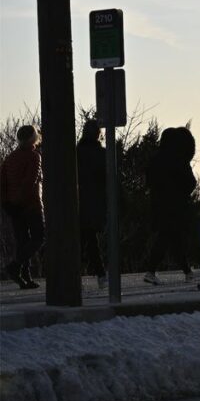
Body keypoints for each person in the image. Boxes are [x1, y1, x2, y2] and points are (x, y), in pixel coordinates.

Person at [145, 127, 197, 285]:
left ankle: (186, 271)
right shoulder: (179, 159)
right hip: (176, 205)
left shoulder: (155, 159)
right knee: (169, 237)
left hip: (159, 203)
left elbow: (149, 181)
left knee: (170, 237)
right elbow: (191, 182)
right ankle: (152, 271)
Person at [1, 125, 43, 289]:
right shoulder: (34, 157)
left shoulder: (9, 159)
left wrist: (7, 203)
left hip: (13, 207)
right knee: (38, 238)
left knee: (22, 242)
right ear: (34, 138)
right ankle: (15, 266)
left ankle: (25, 277)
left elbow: (2, 183)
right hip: (31, 205)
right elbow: (30, 183)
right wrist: (20, 201)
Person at [77, 120, 107, 289]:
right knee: (89, 238)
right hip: (95, 200)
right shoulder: (101, 154)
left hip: (79, 200)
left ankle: (97, 272)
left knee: (85, 239)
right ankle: (100, 273)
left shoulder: (77, 152)